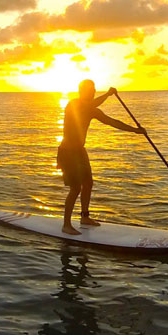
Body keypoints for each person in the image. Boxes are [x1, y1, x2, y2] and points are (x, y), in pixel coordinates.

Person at [57, 79, 145, 235]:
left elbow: (113, 122)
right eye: (87, 90)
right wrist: (108, 94)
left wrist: (135, 131)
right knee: (76, 188)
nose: (91, 93)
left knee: (88, 184)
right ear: (81, 91)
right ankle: (66, 225)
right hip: (68, 152)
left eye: (92, 90)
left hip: (80, 152)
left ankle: (85, 217)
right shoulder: (73, 104)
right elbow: (88, 105)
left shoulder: (92, 110)